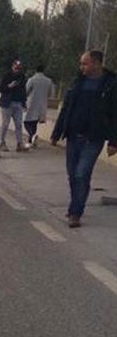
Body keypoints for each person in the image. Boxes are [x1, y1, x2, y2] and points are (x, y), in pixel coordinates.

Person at [51, 50, 117, 228]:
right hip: (73, 136)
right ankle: (76, 203)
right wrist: (56, 133)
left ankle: (75, 212)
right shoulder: (77, 82)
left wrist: (113, 141)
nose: (82, 67)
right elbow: (67, 108)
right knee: (73, 175)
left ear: (97, 64)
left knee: (82, 174)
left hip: (93, 139)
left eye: (85, 64)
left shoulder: (110, 85)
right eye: (81, 64)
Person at [0, 59, 27, 152]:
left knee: (18, 124)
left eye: (19, 68)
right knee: (5, 124)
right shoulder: (7, 76)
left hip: (18, 103)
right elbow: (1, 88)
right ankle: (2, 142)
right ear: (12, 66)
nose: (17, 69)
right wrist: (9, 86)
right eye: (16, 67)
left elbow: (23, 90)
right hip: (7, 103)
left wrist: (24, 102)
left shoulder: (22, 77)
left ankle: (19, 143)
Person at [23, 65, 54, 148]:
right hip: (42, 105)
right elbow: (51, 93)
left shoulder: (32, 80)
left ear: (35, 71)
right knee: (34, 123)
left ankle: (32, 135)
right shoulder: (48, 81)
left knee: (26, 122)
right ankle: (31, 141)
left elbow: (25, 91)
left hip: (32, 104)